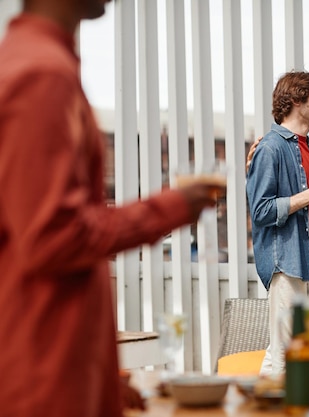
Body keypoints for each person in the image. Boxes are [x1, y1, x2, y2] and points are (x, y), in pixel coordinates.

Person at [0, 1, 226, 416]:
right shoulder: (42, 74)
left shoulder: (30, 62)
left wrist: (106, 377)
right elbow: (52, 237)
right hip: (44, 380)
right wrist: (172, 206)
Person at [246, 71, 309, 375]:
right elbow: (260, 210)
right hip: (287, 264)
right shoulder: (270, 147)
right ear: (298, 99)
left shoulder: (308, 148)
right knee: (285, 357)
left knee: (299, 356)